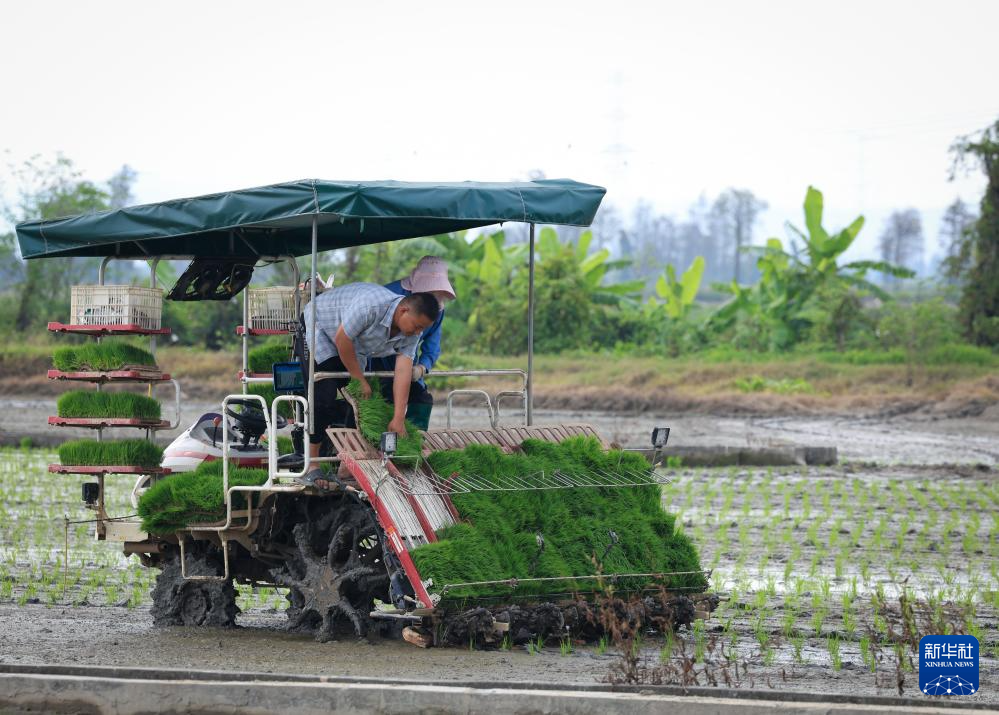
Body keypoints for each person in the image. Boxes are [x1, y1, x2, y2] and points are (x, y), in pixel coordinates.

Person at [298, 282, 440, 484]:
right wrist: (358, 378)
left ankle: (346, 465)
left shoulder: (410, 333)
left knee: (359, 401)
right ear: (404, 310)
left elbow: (403, 370)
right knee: (324, 394)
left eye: (422, 329)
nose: (418, 332)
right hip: (320, 327)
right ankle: (312, 464)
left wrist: (399, 417)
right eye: (417, 326)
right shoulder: (371, 306)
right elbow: (342, 339)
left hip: (353, 345)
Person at [368, 256, 456, 430]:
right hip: (376, 359)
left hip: (408, 361)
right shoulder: (390, 296)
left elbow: (432, 346)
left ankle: (412, 443)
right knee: (381, 400)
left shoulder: (438, 309)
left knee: (421, 399)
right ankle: (378, 443)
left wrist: (422, 367)